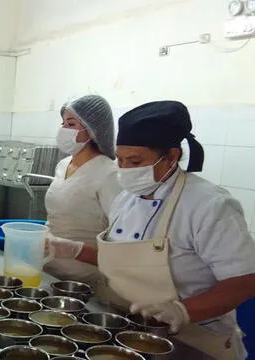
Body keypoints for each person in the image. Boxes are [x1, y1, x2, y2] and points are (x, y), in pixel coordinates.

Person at [50, 101, 255, 359]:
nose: (124, 170)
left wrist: (183, 310)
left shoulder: (209, 205)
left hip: (196, 340)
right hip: (133, 330)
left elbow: (246, 280)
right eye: (121, 159)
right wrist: (75, 250)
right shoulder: (127, 198)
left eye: (135, 161)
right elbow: (124, 260)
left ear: (172, 156)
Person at [44, 95, 121, 286]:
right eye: (63, 123)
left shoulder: (109, 174)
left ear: (92, 129)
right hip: (49, 270)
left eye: (71, 124)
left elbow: (121, 249)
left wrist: (75, 249)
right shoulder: (63, 165)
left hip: (85, 281)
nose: (63, 130)